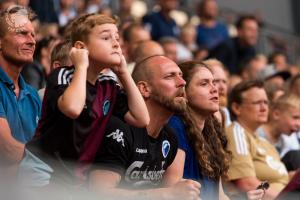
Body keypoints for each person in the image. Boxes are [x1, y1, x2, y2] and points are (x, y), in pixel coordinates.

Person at [27, 13, 149, 182]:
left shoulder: (108, 85)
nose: (116, 43)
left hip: (74, 175)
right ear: (81, 48)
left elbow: (141, 118)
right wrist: (81, 65)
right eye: (106, 37)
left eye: (117, 37)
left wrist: (123, 73)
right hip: (44, 168)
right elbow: (73, 108)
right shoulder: (62, 75)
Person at [89, 55, 201, 200]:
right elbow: (98, 194)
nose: (182, 82)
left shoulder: (170, 138)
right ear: (144, 89)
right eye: (169, 76)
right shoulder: (119, 130)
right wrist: (166, 194)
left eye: (181, 76)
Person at [166, 61, 264, 200]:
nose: (214, 89)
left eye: (213, 82)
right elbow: (175, 191)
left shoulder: (211, 132)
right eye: (204, 84)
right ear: (185, 92)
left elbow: (219, 196)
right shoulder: (176, 125)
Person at [226, 80, 289, 199]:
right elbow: (246, 183)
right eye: (257, 103)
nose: (264, 108)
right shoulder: (236, 132)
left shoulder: (265, 143)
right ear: (236, 108)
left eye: (266, 103)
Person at [0, 5, 41, 168]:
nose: (32, 41)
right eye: (22, 33)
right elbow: (8, 150)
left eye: (33, 35)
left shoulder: (32, 94)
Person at [257, 94, 300, 172]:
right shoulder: (257, 134)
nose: (299, 124)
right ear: (276, 114)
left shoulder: (284, 140)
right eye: (295, 117)